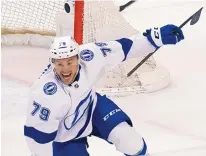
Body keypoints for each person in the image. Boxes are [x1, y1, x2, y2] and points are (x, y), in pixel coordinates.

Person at [24, 22, 184, 156]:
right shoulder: (45, 95)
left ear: (78, 58)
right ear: (53, 64)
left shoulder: (90, 55)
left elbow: (125, 48)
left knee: (130, 141)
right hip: (65, 137)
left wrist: (156, 39)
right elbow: (37, 139)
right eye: (60, 64)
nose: (65, 69)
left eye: (70, 62)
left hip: (92, 108)